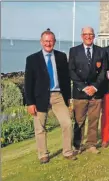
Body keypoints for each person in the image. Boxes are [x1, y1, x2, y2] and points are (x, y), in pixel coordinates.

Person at [24, 29, 77, 164]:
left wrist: (68, 98)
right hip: (39, 98)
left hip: (58, 96)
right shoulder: (32, 59)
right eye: (46, 41)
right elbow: (28, 83)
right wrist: (30, 103)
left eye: (51, 41)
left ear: (54, 42)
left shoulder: (61, 56)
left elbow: (65, 79)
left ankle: (67, 151)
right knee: (40, 127)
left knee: (67, 123)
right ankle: (43, 155)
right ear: (41, 42)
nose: (48, 43)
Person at [69, 27, 106, 154]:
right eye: (85, 34)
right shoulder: (74, 51)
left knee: (94, 119)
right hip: (80, 92)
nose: (88, 36)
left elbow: (103, 72)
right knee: (79, 120)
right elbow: (71, 72)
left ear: (94, 36)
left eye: (90, 34)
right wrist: (84, 87)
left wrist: (94, 87)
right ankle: (77, 145)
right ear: (81, 36)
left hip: (96, 92)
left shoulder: (101, 51)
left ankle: (91, 144)